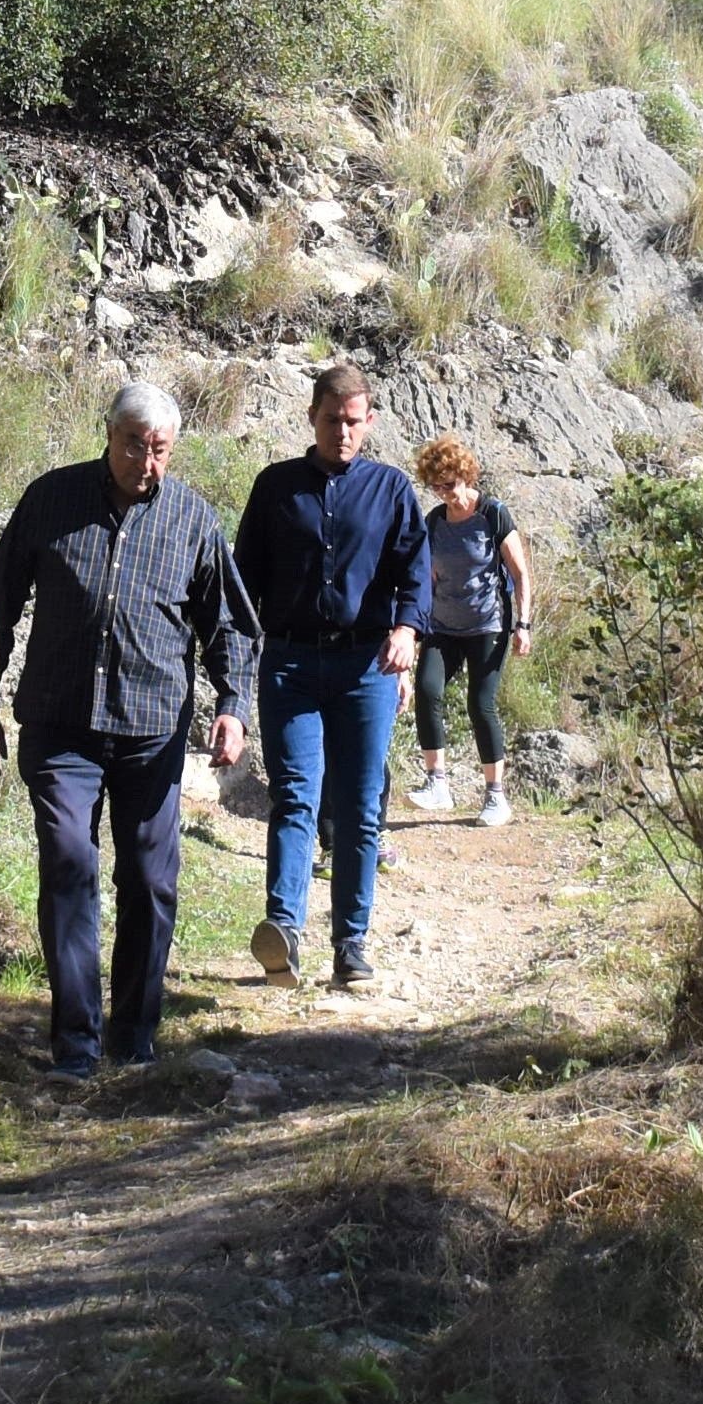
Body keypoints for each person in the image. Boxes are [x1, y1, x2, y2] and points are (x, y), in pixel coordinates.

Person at [0, 381, 259, 1081]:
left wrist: (234, 704)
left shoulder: (192, 518)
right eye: (135, 445)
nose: (147, 462)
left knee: (150, 880)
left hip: (151, 731)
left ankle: (134, 1039)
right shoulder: (51, 499)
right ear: (108, 434)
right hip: (61, 725)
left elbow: (229, 624)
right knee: (68, 864)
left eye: (160, 449)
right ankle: (76, 1044)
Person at [233, 359, 427, 991]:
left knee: (359, 806)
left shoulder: (391, 490)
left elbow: (414, 573)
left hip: (365, 667)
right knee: (295, 795)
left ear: (369, 422)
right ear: (311, 417)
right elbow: (244, 580)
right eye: (331, 420)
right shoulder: (276, 487)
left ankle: (351, 945)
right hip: (289, 664)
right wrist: (234, 661)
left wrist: (407, 630)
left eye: (352, 421)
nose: (342, 432)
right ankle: (283, 934)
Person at [403, 432, 534, 827]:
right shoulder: (434, 521)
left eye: (450, 484)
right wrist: (415, 629)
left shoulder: (492, 514)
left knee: (481, 703)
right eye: (437, 487)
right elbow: (427, 579)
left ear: (465, 476)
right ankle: (437, 784)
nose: (446, 493)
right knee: (428, 690)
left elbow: (520, 573)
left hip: (487, 624)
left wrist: (523, 624)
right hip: (443, 625)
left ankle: (495, 796)